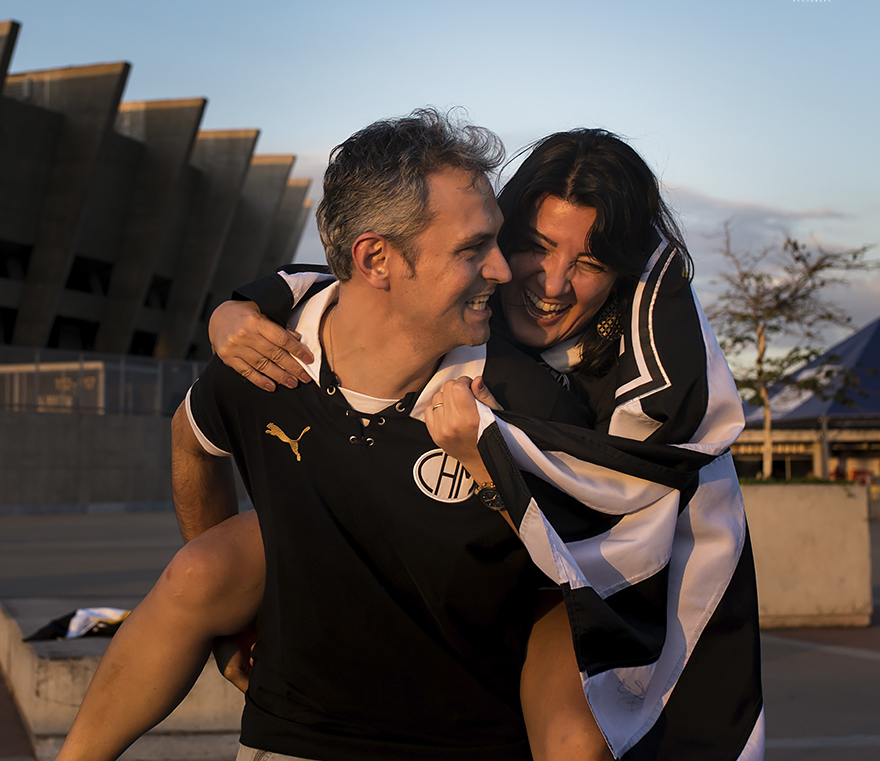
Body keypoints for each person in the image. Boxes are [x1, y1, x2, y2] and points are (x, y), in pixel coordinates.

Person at [57, 122, 764, 760]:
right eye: (520, 246)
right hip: (317, 693)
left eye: (590, 262)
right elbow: (320, 299)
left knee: (577, 736)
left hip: (591, 567)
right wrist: (235, 310)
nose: (544, 281)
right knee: (202, 571)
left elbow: (620, 516)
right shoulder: (281, 348)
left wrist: (492, 457)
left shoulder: (626, 367)